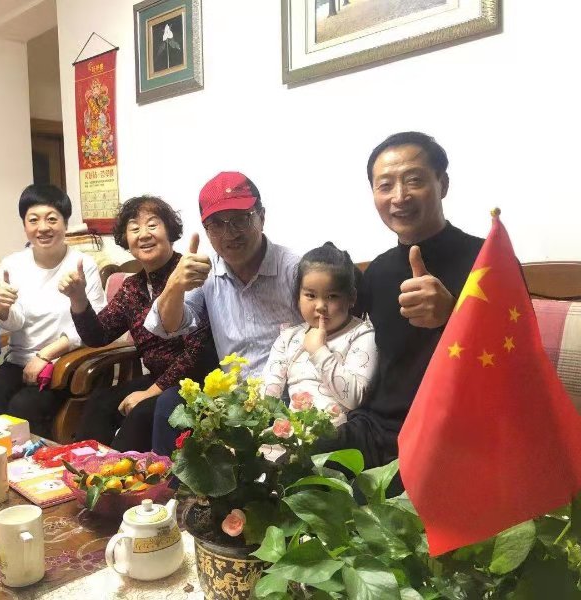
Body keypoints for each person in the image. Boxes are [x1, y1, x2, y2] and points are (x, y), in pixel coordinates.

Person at [317, 131, 484, 469]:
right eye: (385, 185)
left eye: (414, 180)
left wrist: (453, 316)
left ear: (442, 184)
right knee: (288, 468)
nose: (399, 196)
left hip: (454, 434)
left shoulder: (487, 261)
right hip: (377, 429)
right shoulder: (377, 272)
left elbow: (516, 363)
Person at [143, 172, 301, 449]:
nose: (230, 234)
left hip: (287, 398)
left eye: (240, 219)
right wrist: (175, 285)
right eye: (216, 224)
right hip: (233, 402)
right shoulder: (207, 272)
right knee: (169, 403)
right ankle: (167, 480)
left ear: (262, 217)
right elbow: (167, 326)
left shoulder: (295, 270)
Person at [59, 195, 217, 454]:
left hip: (193, 384)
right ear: (126, 239)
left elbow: (197, 353)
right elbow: (98, 336)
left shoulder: (189, 274)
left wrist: (149, 392)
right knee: (101, 401)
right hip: (157, 379)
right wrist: (78, 300)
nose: (144, 234)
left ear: (169, 231)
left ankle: (118, 475)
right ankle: (82, 468)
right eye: (134, 228)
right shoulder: (133, 287)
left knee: (141, 413)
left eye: (153, 225)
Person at [0, 184, 105, 436]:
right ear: (24, 225)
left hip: (64, 363)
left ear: (65, 223)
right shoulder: (12, 264)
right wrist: (2, 307)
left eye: (52, 219)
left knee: (24, 405)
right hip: (19, 360)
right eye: (33, 220)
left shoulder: (82, 264)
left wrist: (46, 355)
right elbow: (14, 323)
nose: (42, 227)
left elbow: (96, 325)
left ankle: (30, 461)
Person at [262, 243, 377, 426]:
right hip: (294, 434)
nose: (321, 306)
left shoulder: (362, 334)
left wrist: (318, 351)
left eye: (332, 296)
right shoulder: (288, 338)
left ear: (351, 297)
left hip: (341, 435)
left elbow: (355, 398)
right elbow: (268, 395)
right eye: (310, 295)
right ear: (298, 297)